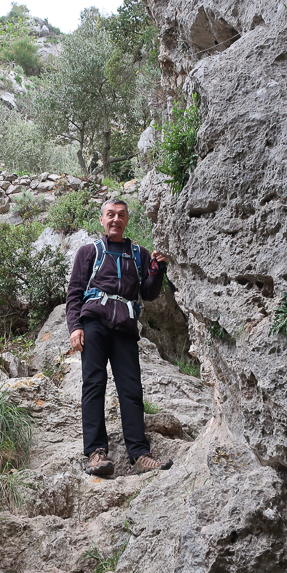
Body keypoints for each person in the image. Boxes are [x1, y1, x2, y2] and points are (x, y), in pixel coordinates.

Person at [66, 198, 173, 476]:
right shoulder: (89, 252)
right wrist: (75, 327)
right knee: (94, 384)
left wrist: (157, 268)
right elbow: (75, 293)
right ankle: (96, 453)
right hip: (94, 323)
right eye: (110, 215)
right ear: (102, 220)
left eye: (121, 215)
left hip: (125, 326)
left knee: (131, 388)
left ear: (127, 221)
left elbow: (148, 293)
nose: (116, 219)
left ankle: (139, 454)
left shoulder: (139, 254)